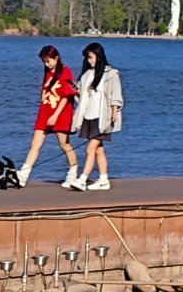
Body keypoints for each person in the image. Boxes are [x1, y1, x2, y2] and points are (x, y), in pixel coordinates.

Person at [16, 45, 79, 187]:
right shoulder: (48, 73)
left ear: (56, 58)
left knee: (64, 144)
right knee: (35, 144)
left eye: (48, 61)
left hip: (61, 113)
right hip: (45, 111)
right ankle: (23, 174)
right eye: (44, 61)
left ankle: (73, 173)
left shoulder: (65, 71)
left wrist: (56, 115)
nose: (46, 64)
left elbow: (66, 96)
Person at [65, 42, 123, 191]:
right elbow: (84, 96)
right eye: (87, 58)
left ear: (98, 56)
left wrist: (114, 112)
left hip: (102, 117)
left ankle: (82, 179)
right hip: (89, 116)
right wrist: (76, 91)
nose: (89, 60)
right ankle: (104, 180)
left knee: (90, 149)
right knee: (98, 150)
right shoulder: (87, 75)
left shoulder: (110, 74)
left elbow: (115, 95)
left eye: (91, 57)